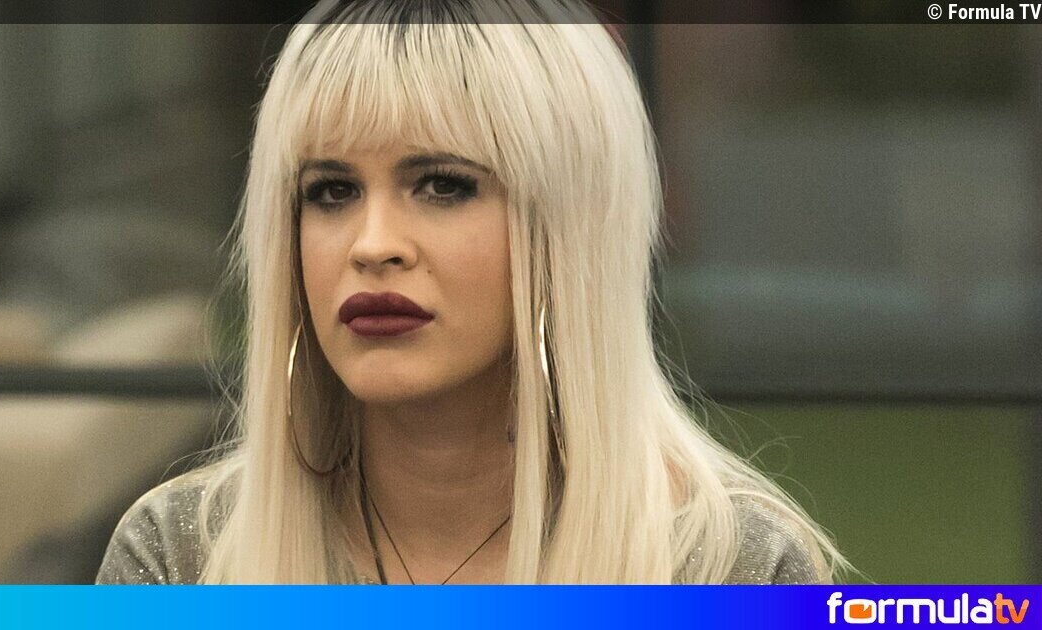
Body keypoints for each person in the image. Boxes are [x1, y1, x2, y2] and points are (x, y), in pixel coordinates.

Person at [96, 0, 850, 585]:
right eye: (331, 191)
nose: (372, 244)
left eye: (443, 185)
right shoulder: (181, 559)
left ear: (566, 227)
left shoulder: (731, 571)